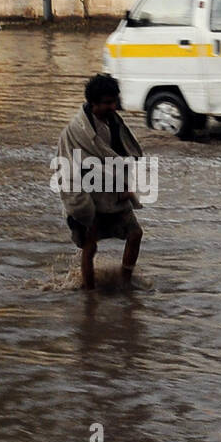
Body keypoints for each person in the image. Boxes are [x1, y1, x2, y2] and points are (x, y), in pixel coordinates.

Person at [57, 73, 145, 290]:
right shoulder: (74, 131)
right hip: (89, 196)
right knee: (90, 246)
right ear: (93, 103)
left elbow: (122, 155)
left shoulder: (115, 124)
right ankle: (90, 295)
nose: (113, 106)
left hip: (114, 193)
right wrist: (79, 204)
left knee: (135, 234)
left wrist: (125, 184)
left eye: (114, 101)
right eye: (107, 103)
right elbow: (67, 168)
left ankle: (126, 282)